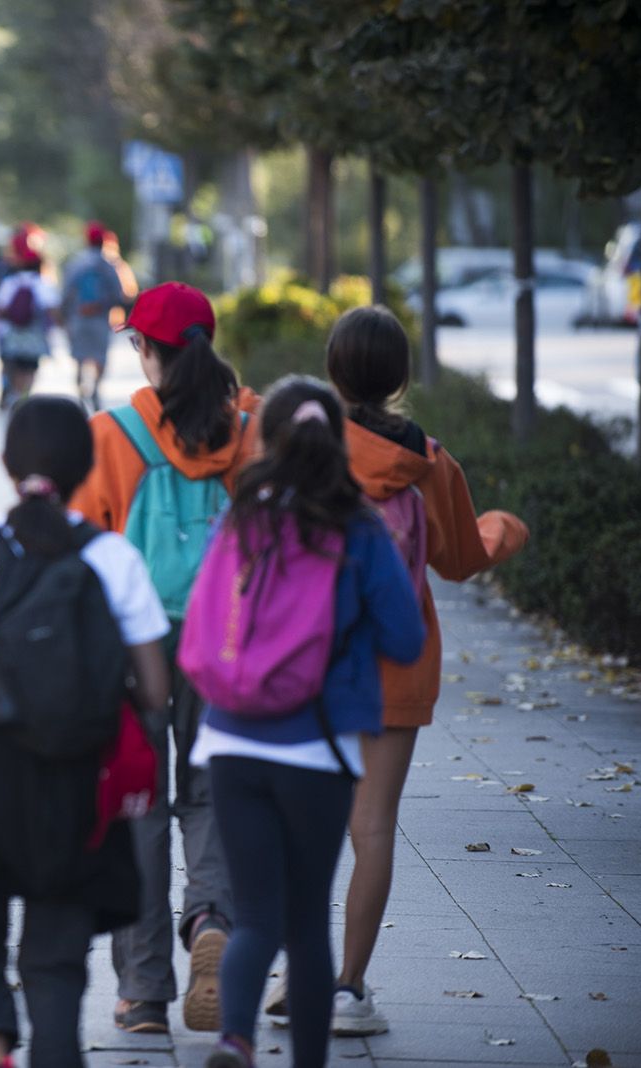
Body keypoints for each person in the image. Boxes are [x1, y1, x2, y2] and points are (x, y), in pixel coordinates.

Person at [262, 306, 525, 1038]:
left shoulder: (304, 444)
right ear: (402, 377)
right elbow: (463, 558)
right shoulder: (431, 461)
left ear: (333, 368)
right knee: (372, 827)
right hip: (399, 668)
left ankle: (299, 970)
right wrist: (508, 527)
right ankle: (348, 989)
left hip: (311, 665)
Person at [0, 395, 173, 1068]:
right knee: (57, 959)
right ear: (86, 469)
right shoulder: (114, 559)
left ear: (5, 464)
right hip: (76, 783)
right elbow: (153, 689)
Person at [189, 376, 425, 1068]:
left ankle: (234, 1038)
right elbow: (405, 641)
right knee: (305, 926)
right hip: (316, 747)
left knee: (255, 916)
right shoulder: (358, 527)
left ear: (267, 438)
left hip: (229, 739)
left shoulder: (241, 517)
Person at [69, 282, 259, 1036]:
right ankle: (210, 916)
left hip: (135, 646)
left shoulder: (112, 434)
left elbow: (82, 556)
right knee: (212, 793)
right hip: (230, 643)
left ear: (145, 349)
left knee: (136, 806)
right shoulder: (252, 425)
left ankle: (144, 989)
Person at [62, 222, 128, 411]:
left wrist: (64, 316)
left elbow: (66, 293)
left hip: (78, 318)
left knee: (79, 357)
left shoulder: (75, 264)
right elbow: (118, 295)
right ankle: (95, 389)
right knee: (99, 357)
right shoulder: (109, 266)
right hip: (101, 319)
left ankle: (81, 390)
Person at [0, 230, 59, 408]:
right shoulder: (43, 284)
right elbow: (51, 309)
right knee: (30, 367)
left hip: (13, 331)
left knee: (15, 366)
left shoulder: (10, 282)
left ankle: (15, 393)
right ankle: (25, 396)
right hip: (34, 333)